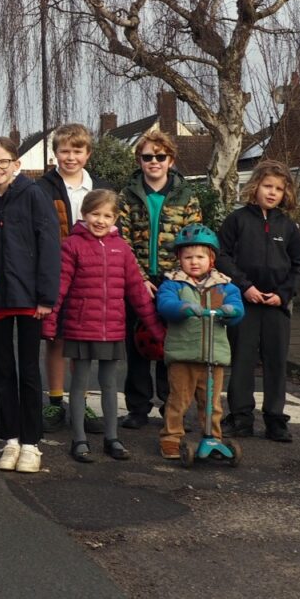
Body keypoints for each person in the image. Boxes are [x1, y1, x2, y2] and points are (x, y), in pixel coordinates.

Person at [42, 190, 164, 462]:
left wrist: (155, 329)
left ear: (116, 218)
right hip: (80, 326)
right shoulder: (71, 246)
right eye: (95, 214)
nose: (100, 220)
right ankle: (79, 439)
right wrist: (50, 324)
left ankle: (112, 438)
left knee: (110, 386)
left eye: (107, 215)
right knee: (79, 384)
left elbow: (137, 292)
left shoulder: (122, 248)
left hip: (113, 327)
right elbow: (59, 289)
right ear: (83, 215)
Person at [0, 137, 60, 473]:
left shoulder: (34, 195)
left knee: (29, 373)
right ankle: (9, 439)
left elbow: (49, 246)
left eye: (2, 162)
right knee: (3, 372)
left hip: (30, 299)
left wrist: (46, 297)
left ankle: (31, 443)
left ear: (16, 165)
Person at [217, 160, 300, 442]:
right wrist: (244, 286)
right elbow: (221, 257)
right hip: (244, 302)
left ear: (285, 193)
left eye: (279, 189)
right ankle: (241, 417)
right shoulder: (237, 220)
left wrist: (283, 294)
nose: (272, 193)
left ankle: (275, 420)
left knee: (276, 362)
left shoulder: (288, 226)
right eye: (267, 186)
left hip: (276, 305)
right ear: (255, 186)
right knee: (242, 360)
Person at [118, 128, 202, 429]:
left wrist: (180, 277)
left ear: (171, 160)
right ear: (139, 160)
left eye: (160, 156)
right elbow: (122, 240)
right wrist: (138, 278)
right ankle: (138, 408)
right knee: (138, 345)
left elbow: (193, 241)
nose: (154, 161)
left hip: (173, 281)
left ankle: (172, 407)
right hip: (138, 280)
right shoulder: (126, 195)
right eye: (147, 156)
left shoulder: (186, 196)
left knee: (171, 347)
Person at [35, 123, 104, 435]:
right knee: (56, 338)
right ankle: (54, 399)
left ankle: (81, 400)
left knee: (83, 341)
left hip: (91, 273)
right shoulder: (42, 188)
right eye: (65, 151)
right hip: (56, 272)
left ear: (87, 154)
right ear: (56, 154)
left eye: (77, 151)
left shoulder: (99, 188)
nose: (71, 156)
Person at [155, 225, 244, 459]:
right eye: (188, 257)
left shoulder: (225, 286)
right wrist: (182, 307)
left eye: (200, 257)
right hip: (184, 355)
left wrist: (231, 311)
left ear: (211, 259)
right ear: (179, 259)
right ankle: (171, 438)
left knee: (212, 405)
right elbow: (164, 305)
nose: (194, 262)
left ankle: (213, 438)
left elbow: (238, 309)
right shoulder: (173, 283)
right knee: (178, 401)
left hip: (213, 357)